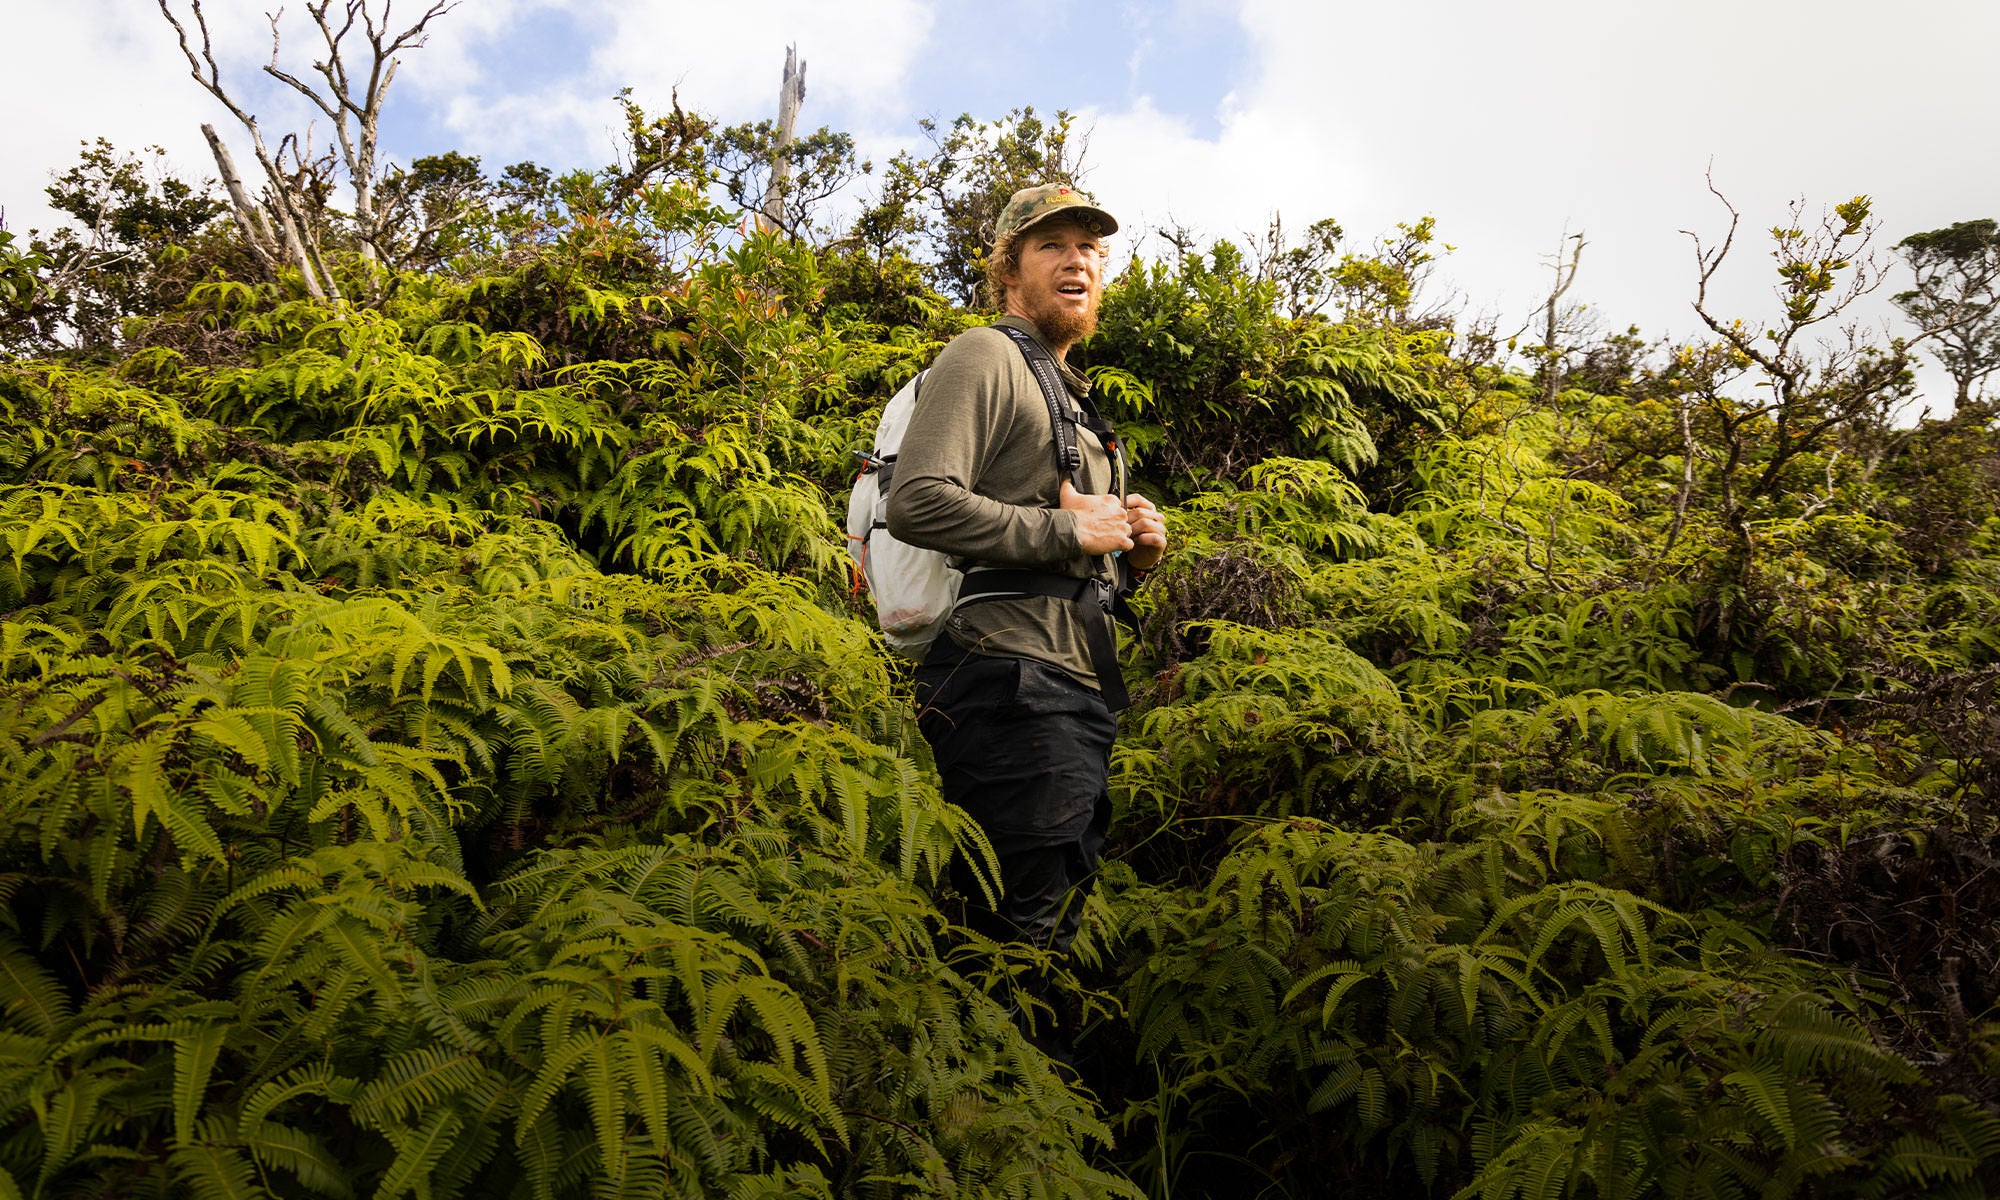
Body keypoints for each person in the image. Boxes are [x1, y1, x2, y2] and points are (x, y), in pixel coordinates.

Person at [885, 183, 1167, 1053]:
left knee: (1041, 919)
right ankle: (973, 1111)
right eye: (1052, 245)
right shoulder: (985, 356)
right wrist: (1071, 530)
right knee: (1014, 936)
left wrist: (1128, 550)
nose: (1077, 258)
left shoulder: (1068, 391)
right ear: (1011, 268)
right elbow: (918, 503)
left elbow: (1067, 542)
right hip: (1008, 681)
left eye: (1090, 246)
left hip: (1065, 687)